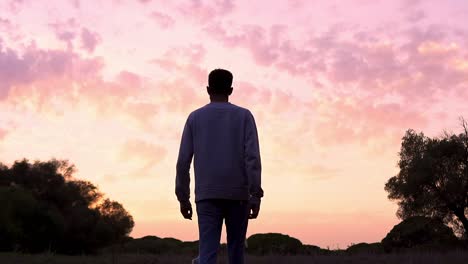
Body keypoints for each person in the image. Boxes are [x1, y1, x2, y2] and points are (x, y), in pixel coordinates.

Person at [175, 68, 264, 264]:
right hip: (238, 195)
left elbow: (183, 162)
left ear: (208, 89)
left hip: (207, 195)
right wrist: (255, 194)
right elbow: (252, 159)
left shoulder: (194, 118)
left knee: (207, 255)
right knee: (236, 254)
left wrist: (183, 197)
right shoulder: (244, 116)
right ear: (231, 90)